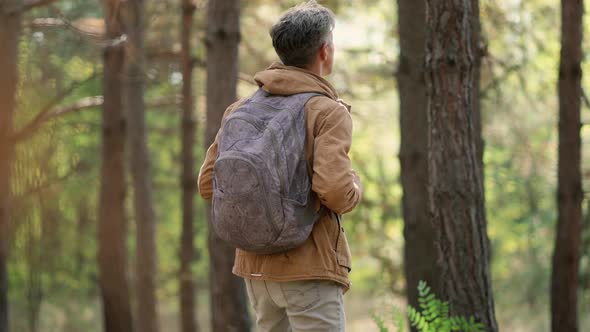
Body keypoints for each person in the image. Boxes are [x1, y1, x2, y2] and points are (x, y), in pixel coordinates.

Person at [198, 1, 362, 330]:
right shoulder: (328, 112)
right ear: (324, 51)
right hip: (308, 269)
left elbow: (207, 184)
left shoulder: (240, 110)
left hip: (256, 270)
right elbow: (335, 191)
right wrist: (355, 186)